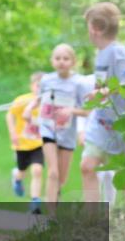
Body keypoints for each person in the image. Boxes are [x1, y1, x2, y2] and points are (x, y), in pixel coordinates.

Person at [24, 44, 91, 206]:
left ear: (73, 62)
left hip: (67, 133)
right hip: (48, 129)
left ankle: (54, 195)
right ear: (52, 61)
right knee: (53, 172)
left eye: (66, 59)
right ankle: (51, 216)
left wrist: (71, 111)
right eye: (57, 58)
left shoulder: (79, 83)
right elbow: (39, 98)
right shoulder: (47, 80)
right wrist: (29, 108)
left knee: (62, 178)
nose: (61, 62)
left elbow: (87, 111)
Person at [80, 3, 125, 203]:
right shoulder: (101, 52)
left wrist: (107, 90)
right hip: (101, 124)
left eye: (88, 26)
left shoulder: (117, 53)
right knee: (87, 166)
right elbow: (102, 85)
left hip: (121, 126)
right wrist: (96, 94)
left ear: (95, 29)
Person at [6, 72, 45, 214]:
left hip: (39, 144)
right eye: (38, 85)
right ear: (32, 86)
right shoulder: (23, 100)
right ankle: (17, 178)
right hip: (22, 144)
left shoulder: (47, 103)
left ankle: (35, 202)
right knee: (22, 171)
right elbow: (9, 114)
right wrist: (13, 133)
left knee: (37, 170)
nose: (40, 88)